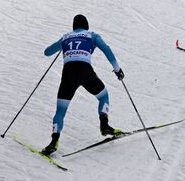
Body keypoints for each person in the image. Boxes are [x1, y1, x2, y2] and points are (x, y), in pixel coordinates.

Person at [41, 14, 125, 155]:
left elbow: (47, 52)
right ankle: (104, 125)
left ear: (74, 27)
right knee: (103, 96)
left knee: (60, 111)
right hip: (85, 71)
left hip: (68, 74)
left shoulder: (65, 37)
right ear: (86, 26)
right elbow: (106, 48)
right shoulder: (92, 35)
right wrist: (117, 69)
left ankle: (54, 141)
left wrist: (63, 46)